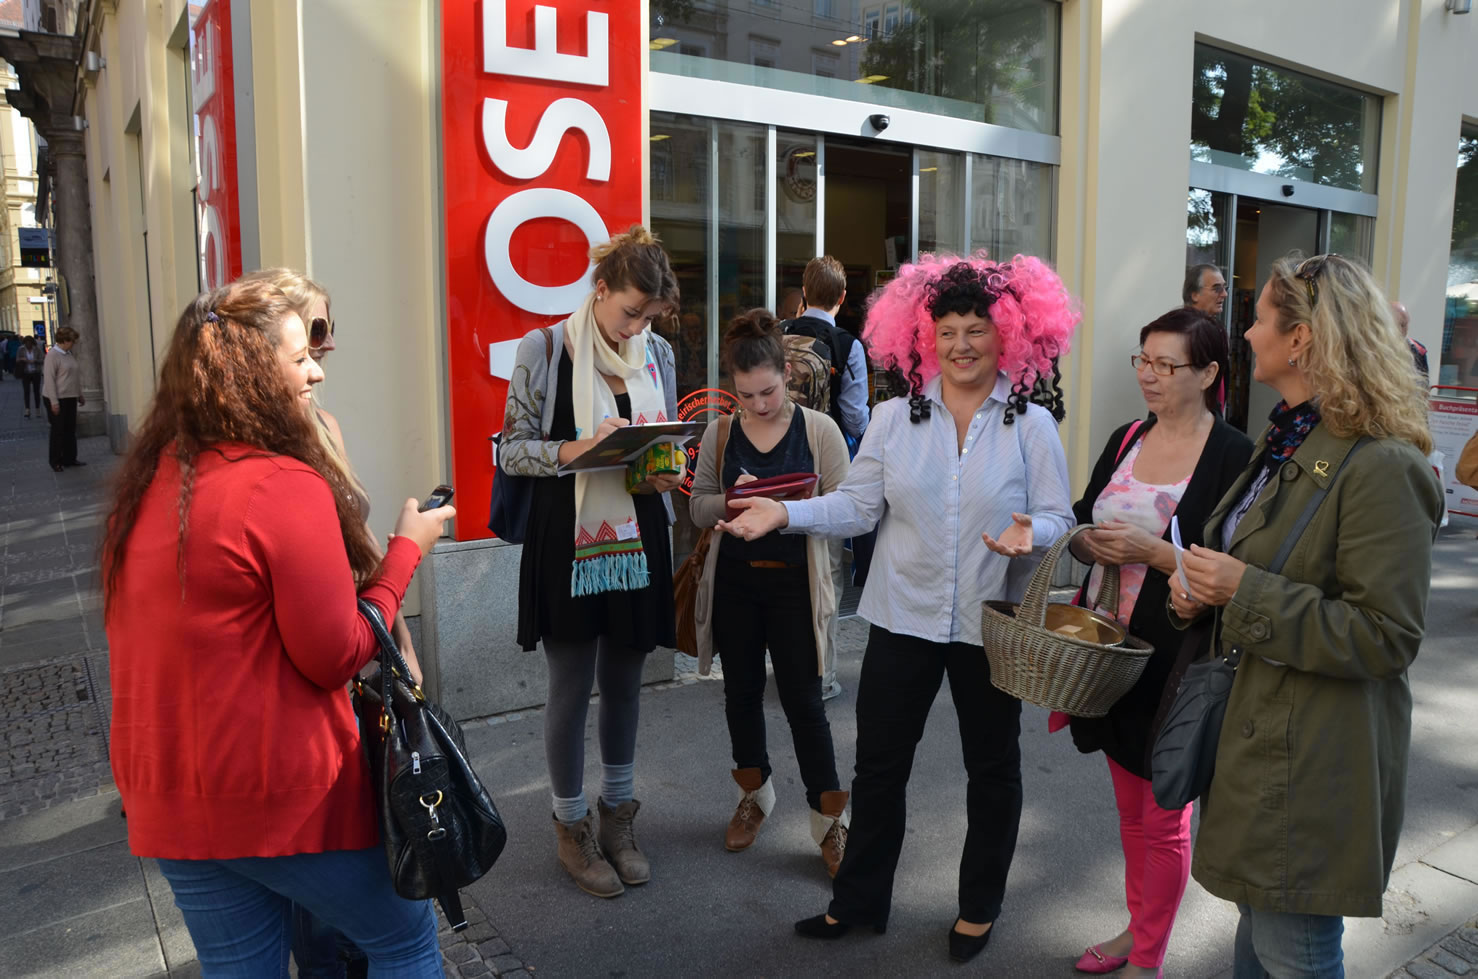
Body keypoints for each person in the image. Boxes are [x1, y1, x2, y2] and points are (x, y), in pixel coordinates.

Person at [718, 253, 1079, 963]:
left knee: (993, 768)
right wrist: (783, 514)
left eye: (977, 329)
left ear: (1006, 333)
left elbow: (1061, 516)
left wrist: (1029, 532)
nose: (962, 344)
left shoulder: (1030, 423)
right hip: (902, 616)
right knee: (880, 767)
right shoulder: (891, 417)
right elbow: (857, 507)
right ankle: (856, 902)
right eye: (947, 330)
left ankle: (978, 905)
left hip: (989, 623)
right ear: (925, 336)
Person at [103, 280, 455, 975]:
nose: (318, 370)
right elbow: (337, 654)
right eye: (301, 358)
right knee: (403, 941)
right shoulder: (282, 485)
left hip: (170, 795)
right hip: (280, 795)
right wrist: (406, 550)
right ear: (253, 372)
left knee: (240, 965)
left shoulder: (147, 481)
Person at [1170, 254, 1442, 977]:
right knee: (1262, 935)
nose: (1246, 332)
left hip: (1315, 754)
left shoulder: (1383, 462)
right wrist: (1199, 590)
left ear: (1302, 340)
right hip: (1266, 742)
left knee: (1295, 950)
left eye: (1259, 318)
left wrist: (1241, 590)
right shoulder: (1291, 434)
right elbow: (1259, 560)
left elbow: (1387, 634)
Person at [1060, 308, 1253, 977]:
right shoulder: (1126, 437)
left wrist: (1153, 552)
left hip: (1179, 654)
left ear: (1207, 373)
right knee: (1130, 810)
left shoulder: (1234, 453)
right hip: (1108, 649)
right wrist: (1084, 540)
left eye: (1166, 364)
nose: (1149, 374)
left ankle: (1148, 958)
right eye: (1143, 360)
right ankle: (1136, 930)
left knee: (1164, 810)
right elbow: (1086, 520)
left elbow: (1240, 570)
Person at [500, 225, 682, 899]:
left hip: (639, 529)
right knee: (572, 683)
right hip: (568, 534)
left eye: (649, 314)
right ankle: (571, 824)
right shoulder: (545, 348)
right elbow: (510, 450)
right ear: (600, 289)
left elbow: (658, 440)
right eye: (631, 310)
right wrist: (576, 449)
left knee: (628, 677)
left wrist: (667, 467)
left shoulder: (657, 350)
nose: (638, 325)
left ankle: (619, 816)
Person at [688, 309, 851, 874]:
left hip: (794, 586)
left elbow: (849, 510)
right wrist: (733, 502)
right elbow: (698, 504)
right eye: (745, 395)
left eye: (769, 391)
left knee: (805, 704)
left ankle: (830, 822)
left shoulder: (819, 430)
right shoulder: (721, 431)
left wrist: (785, 510)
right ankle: (754, 797)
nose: (759, 404)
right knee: (741, 695)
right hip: (735, 581)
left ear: (789, 373)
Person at [783, 256, 870, 701]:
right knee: (828, 574)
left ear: (803, 291)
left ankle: (784, 667)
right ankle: (822, 676)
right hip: (824, 471)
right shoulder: (846, 345)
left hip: (776, 468)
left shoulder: (777, 335)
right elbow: (854, 418)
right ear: (841, 297)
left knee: (786, 572)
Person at [42, 325, 84, 472]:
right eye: (72, 341)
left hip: (70, 396)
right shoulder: (52, 355)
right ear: (64, 340)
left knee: (70, 429)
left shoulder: (68, 354)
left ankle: (70, 458)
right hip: (56, 397)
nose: (73, 344)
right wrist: (54, 402)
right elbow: (49, 379)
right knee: (58, 430)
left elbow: (74, 376)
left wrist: (79, 394)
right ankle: (55, 461)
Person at [1390, 300, 1430, 385]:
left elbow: (1424, 384)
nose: (1402, 329)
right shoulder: (1375, 348)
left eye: (1404, 324)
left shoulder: (1418, 349)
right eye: (1399, 324)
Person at [17, 336, 44, 418]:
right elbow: (17, 360)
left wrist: (35, 360)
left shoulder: (37, 349)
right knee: (26, 391)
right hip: (25, 372)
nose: (28, 345)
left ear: (32, 343)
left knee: (36, 391)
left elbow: (42, 359)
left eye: (30, 343)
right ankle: (27, 410)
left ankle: (37, 409)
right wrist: (23, 359)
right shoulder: (21, 349)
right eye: (26, 343)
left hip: (36, 372)